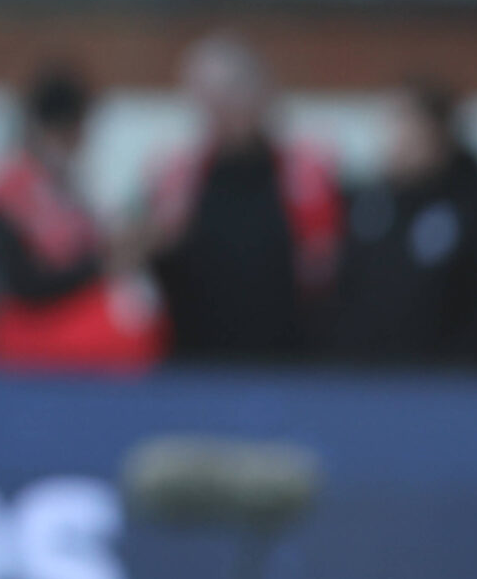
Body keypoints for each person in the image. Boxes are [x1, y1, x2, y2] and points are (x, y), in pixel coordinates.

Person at [142, 33, 342, 361]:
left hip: (286, 365)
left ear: (263, 94)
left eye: (233, 94)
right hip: (196, 365)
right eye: (210, 98)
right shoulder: (178, 178)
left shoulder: (304, 176)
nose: (224, 110)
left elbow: (327, 273)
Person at [0, 65, 162, 371]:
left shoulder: (66, 189)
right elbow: (21, 283)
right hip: (26, 326)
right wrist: (102, 264)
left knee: (142, 315)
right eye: (75, 133)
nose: (81, 144)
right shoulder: (6, 192)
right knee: (132, 329)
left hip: (68, 316)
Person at [329, 80, 477, 366]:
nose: (397, 137)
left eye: (408, 122)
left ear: (438, 133)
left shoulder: (472, 213)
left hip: (443, 390)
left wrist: (459, 367)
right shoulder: (366, 207)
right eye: (392, 123)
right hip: (365, 384)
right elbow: (343, 294)